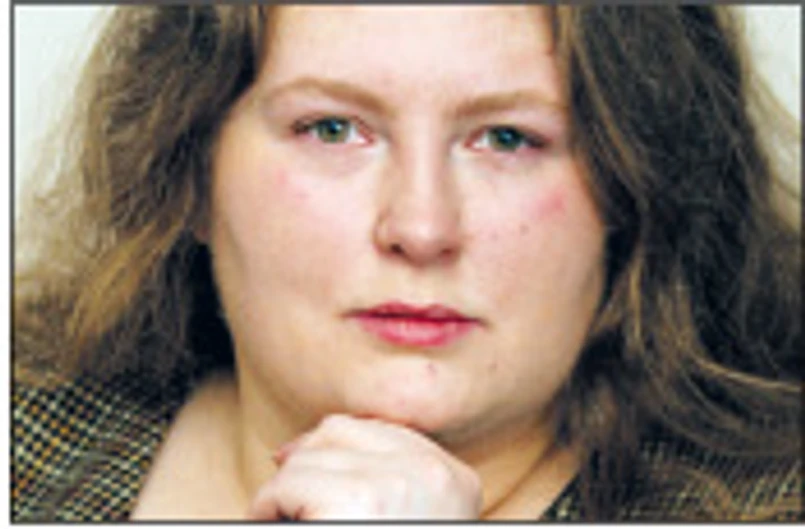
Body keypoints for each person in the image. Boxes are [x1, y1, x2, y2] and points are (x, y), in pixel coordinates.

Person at [12, 5, 801, 521]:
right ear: (187, 169)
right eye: (332, 129)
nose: (421, 228)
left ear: (634, 189)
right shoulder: (26, 431)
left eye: (506, 138)